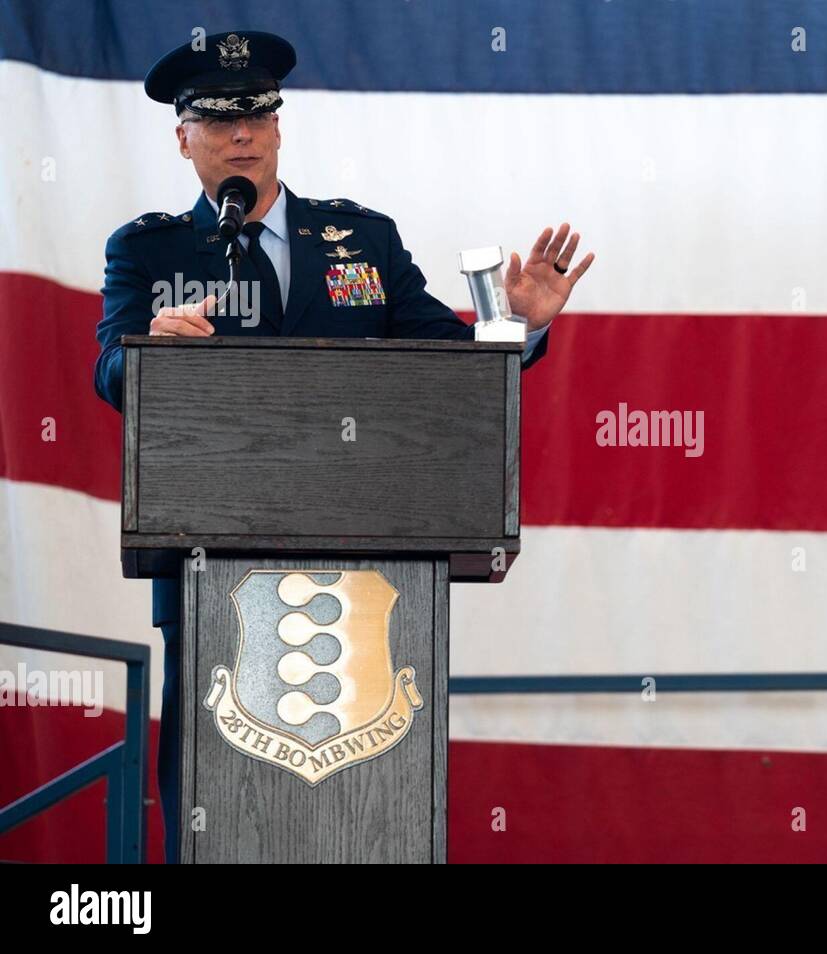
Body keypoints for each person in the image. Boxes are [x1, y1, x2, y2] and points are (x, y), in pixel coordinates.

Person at [92, 30, 594, 863]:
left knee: (365, 817)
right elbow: (110, 369)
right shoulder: (148, 251)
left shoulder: (361, 240)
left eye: (256, 113)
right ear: (182, 139)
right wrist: (150, 351)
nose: (241, 135)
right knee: (213, 816)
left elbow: (448, 367)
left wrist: (517, 326)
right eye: (216, 122)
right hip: (209, 566)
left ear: (281, 127)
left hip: (370, 571)